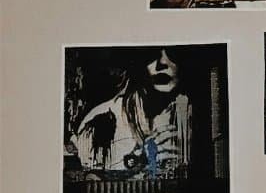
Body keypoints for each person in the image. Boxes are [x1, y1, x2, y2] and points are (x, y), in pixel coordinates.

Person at [70, 48, 188, 176]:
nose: (163, 62)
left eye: (172, 54)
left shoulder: (189, 119)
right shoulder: (100, 121)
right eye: (152, 54)